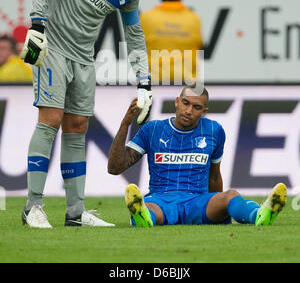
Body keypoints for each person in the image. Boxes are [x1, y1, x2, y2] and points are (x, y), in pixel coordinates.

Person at [19, 0, 165, 229]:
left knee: (78, 127)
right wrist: (37, 25)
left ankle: (75, 212)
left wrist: (144, 82)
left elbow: (134, 35)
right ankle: (33, 206)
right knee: (50, 120)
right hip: (54, 49)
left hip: (84, 58)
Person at [108, 86, 288, 228]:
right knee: (150, 208)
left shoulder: (214, 130)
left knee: (230, 195)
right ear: (177, 102)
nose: (189, 110)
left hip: (198, 201)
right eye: (185, 103)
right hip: (161, 199)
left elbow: (214, 174)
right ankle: (142, 217)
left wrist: (221, 209)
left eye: (196, 107)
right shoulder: (152, 129)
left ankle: (259, 215)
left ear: (204, 111)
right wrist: (125, 123)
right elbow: (115, 168)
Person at [140, 0, 203, 85]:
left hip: (155, 78)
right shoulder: (193, 18)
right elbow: (200, 46)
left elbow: (138, 46)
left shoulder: (146, 17)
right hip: (186, 79)